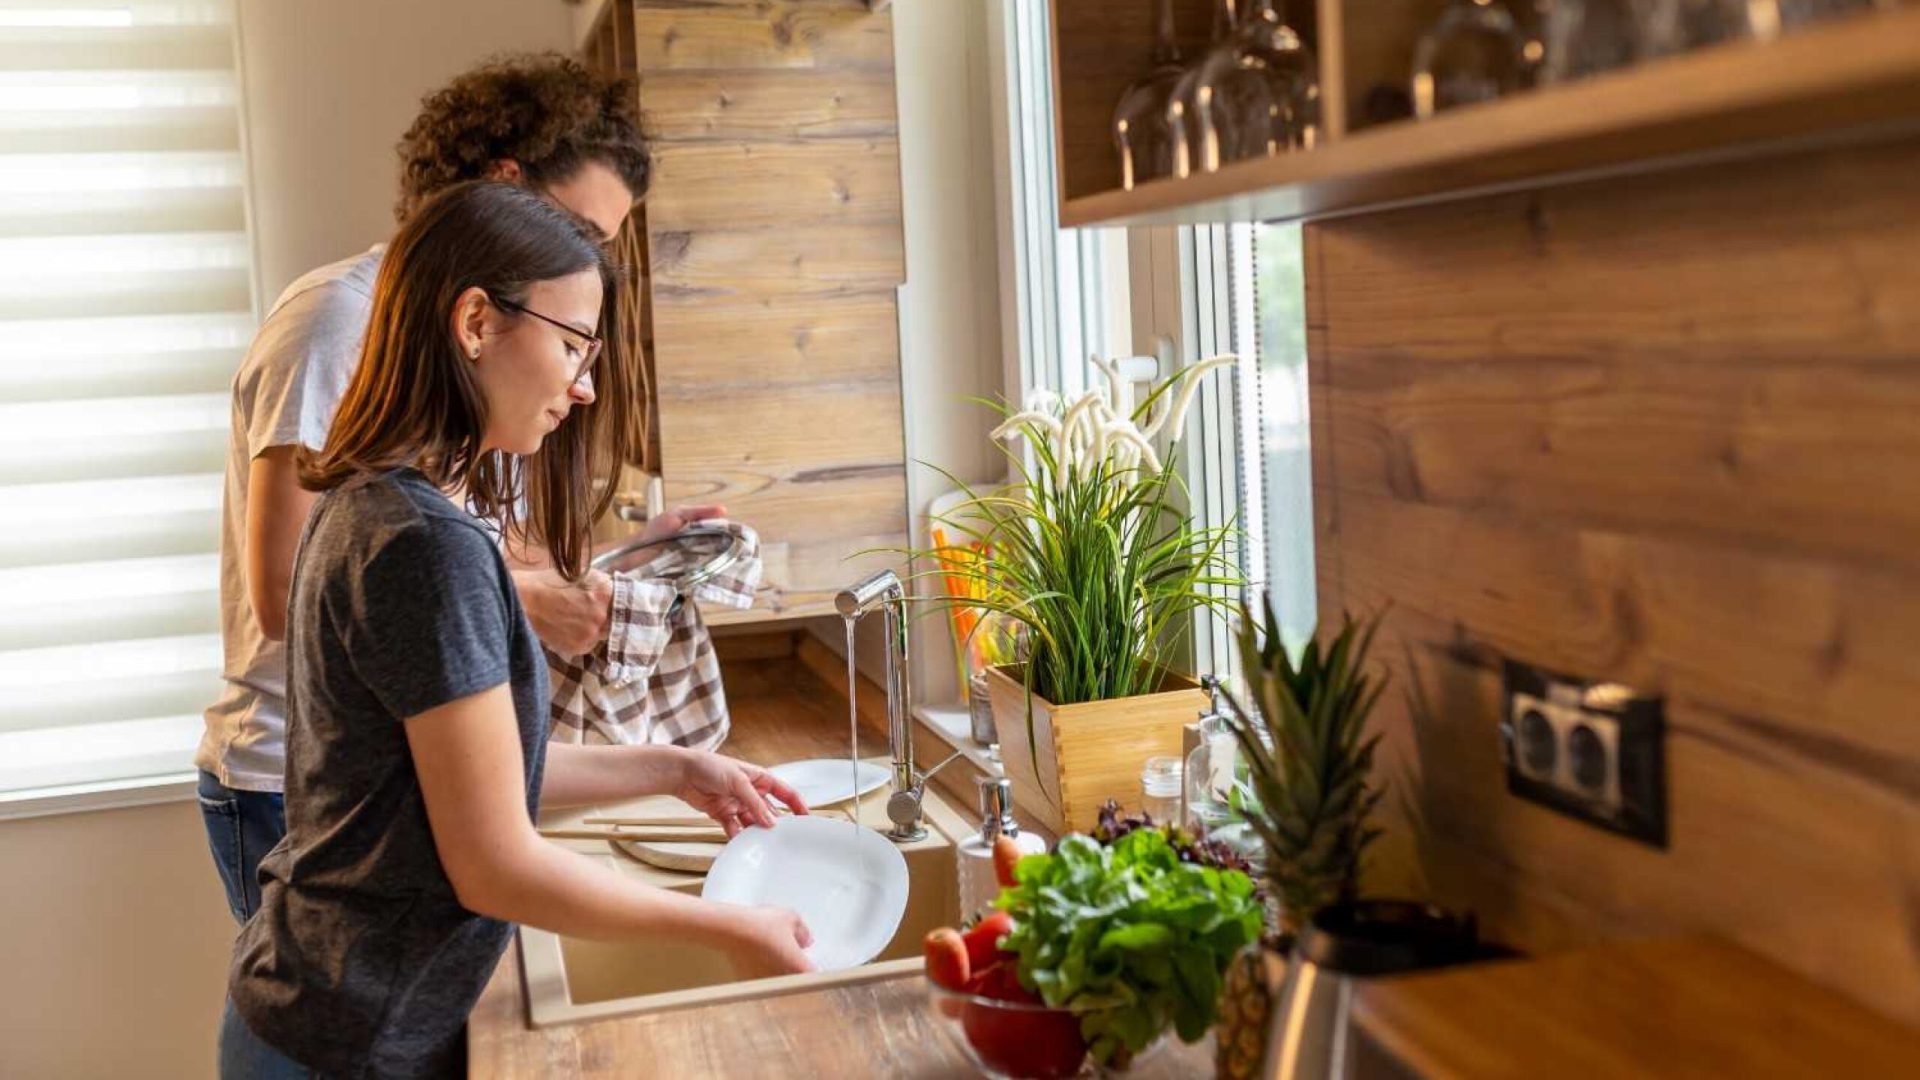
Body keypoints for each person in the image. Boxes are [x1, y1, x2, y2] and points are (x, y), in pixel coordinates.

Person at [220, 181, 813, 1080]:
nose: (584, 386)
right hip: (347, 1040)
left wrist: (678, 766)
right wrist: (732, 929)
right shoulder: (424, 544)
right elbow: (495, 864)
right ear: (475, 324)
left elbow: (471, 780)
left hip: (313, 1009)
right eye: (574, 344)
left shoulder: (368, 499)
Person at [196, 54, 721, 924]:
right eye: (583, 232)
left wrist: (632, 555)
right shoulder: (339, 322)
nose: (590, 264)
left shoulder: (478, 359)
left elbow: (456, 541)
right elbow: (293, 586)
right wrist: (527, 605)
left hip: (400, 752)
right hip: (295, 778)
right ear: (505, 186)